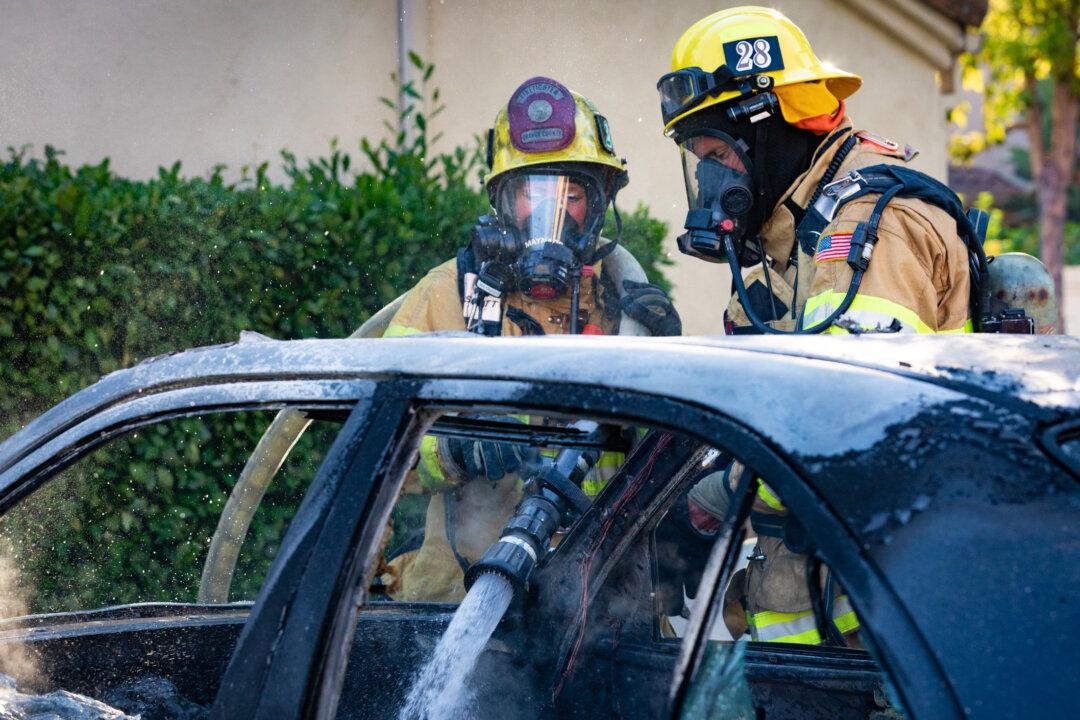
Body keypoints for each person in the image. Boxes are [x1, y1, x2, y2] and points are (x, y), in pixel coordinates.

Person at [656, 6, 982, 645]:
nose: (710, 180)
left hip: (889, 634)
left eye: (719, 155)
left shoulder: (871, 231)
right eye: (699, 161)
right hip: (824, 632)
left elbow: (843, 433)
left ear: (771, 129)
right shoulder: (786, 244)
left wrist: (717, 499)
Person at [381, 76, 681, 602]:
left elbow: (666, 472)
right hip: (460, 602)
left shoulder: (627, 309)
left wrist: (669, 382)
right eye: (531, 193)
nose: (551, 214)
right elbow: (376, 446)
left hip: (599, 605)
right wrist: (451, 449)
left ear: (601, 200)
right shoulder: (449, 295)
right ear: (501, 201)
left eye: (572, 194)